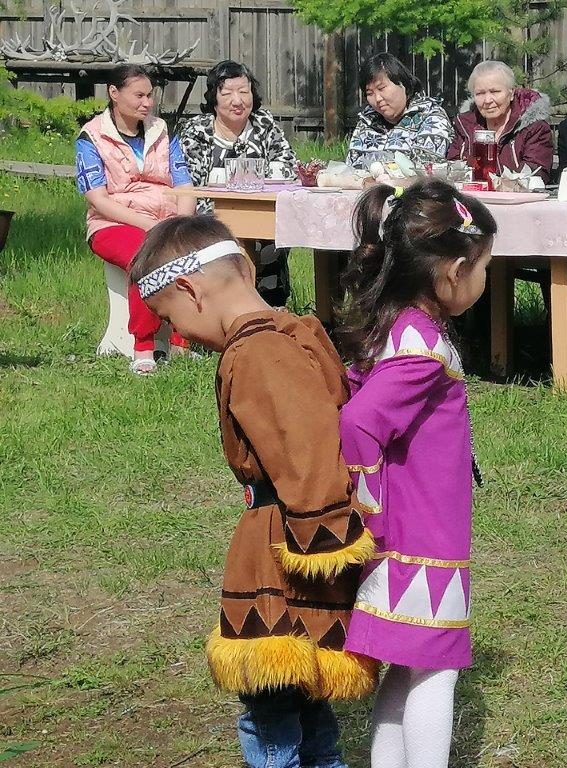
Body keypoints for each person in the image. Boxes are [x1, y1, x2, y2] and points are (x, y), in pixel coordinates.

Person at [128, 215, 377, 768]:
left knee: (268, 709)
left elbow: (305, 448)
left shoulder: (258, 354)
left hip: (286, 549)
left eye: (172, 319)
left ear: (190, 290)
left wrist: (324, 541)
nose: (182, 335)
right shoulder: (291, 332)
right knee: (306, 704)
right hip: (297, 536)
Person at [334, 179, 495, 768]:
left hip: (408, 536)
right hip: (421, 540)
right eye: (484, 268)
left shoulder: (398, 324)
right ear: (452, 272)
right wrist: (368, 507)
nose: (485, 281)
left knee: (407, 671)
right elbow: (359, 423)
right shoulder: (421, 347)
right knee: (438, 669)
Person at [76, 63, 196, 374]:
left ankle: (183, 342)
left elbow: (184, 185)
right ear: (114, 94)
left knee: (197, 250)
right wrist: (151, 227)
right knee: (146, 258)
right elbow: (97, 199)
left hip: (167, 220)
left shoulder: (163, 131)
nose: (147, 103)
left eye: (150, 96)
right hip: (113, 224)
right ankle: (143, 348)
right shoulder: (91, 137)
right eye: (139, 96)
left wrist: (181, 225)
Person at [178, 60, 298, 306]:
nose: (238, 100)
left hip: (263, 211)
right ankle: (231, 307)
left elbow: (288, 166)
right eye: (227, 93)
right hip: (213, 212)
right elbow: (195, 182)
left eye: (244, 92)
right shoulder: (197, 131)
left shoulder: (264, 124)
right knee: (231, 239)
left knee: (272, 238)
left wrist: (240, 175)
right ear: (214, 98)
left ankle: (272, 307)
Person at [447, 60, 554, 183]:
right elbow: (453, 168)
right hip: (472, 198)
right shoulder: (465, 126)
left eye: (495, 92)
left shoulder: (534, 128)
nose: (487, 100)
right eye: (480, 93)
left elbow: (535, 173)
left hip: (517, 200)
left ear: (511, 93)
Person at [346, 53, 454, 169]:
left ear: (403, 84)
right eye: (370, 93)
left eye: (381, 88)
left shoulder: (431, 116)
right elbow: (351, 167)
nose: (377, 99)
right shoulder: (366, 121)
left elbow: (425, 167)